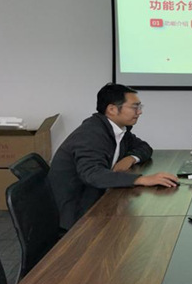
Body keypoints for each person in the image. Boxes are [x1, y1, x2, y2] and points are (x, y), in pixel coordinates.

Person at [49, 83, 178, 230]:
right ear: (112, 109)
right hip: (77, 215)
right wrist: (141, 179)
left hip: (97, 199)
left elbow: (144, 147)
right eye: (135, 107)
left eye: (140, 107)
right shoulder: (91, 134)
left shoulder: (117, 129)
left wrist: (130, 158)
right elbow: (92, 174)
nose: (139, 112)